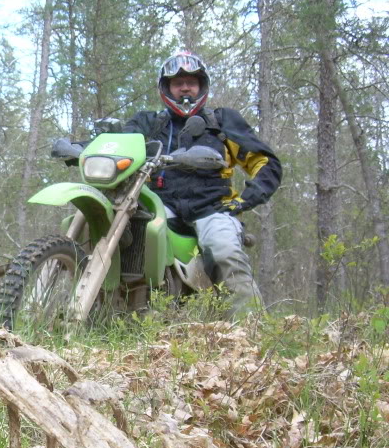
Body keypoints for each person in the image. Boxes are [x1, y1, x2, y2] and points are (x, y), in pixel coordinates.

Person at [121, 50, 282, 317]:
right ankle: (124, 317)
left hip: (213, 208)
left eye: (191, 82)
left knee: (223, 251)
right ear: (166, 87)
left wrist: (245, 199)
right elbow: (122, 144)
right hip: (160, 205)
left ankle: (251, 329)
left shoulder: (221, 121)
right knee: (128, 239)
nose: (185, 87)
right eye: (178, 82)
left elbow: (265, 162)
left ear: (201, 87)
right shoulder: (148, 123)